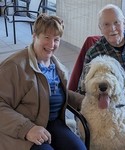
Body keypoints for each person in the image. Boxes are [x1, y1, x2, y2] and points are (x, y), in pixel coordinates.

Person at [0, 13, 86, 150]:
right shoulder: (14, 66)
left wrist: (87, 101)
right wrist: (27, 129)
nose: (52, 44)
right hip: (23, 129)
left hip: (51, 123)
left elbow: (54, 92)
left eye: (56, 39)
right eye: (46, 37)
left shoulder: (56, 66)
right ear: (34, 36)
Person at [78, 4, 125, 150]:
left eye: (117, 22)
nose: (113, 28)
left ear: (124, 22)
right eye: (106, 24)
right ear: (100, 28)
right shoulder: (94, 52)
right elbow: (83, 86)